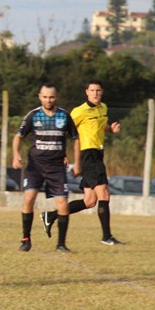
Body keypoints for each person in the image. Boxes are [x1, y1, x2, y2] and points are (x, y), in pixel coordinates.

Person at [41, 79, 125, 246]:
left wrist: (110, 129)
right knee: (104, 194)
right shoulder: (79, 111)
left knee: (89, 201)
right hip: (88, 155)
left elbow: (100, 127)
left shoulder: (103, 108)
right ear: (86, 92)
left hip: (98, 154)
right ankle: (106, 237)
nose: (95, 93)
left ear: (102, 92)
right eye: (92, 90)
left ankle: (50, 216)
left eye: (98, 90)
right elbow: (64, 131)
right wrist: (63, 154)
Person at [12, 83, 80, 253]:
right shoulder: (33, 115)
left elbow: (75, 139)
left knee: (63, 204)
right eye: (45, 97)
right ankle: (26, 239)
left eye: (51, 97)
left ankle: (61, 244)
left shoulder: (64, 116)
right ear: (39, 96)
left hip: (56, 167)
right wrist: (15, 154)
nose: (48, 100)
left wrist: (77, 163)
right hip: (35, 166)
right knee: (29, 199)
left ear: (56, 97)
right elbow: (18, 136)